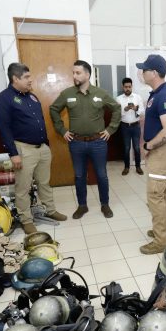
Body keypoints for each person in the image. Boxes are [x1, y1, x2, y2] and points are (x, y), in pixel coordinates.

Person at [0, 63, 67, 234]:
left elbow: (39, 121)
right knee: (23, 188)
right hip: (23, 150)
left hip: (42, 148)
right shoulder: (2, 99)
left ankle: (50, 210)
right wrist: (13, 154)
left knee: (44, 183)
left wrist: (46, 145)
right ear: (15, 78)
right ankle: (26, 220)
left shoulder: (32, 97)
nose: (30, 80)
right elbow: (3, 129)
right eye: (26, 77)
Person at [50, 60, 121, 219]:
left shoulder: (100, 93)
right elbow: (54, 109)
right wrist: (62, 130)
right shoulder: (67, 94)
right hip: (76, 143)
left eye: (78, 73)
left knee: (101, 175)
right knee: (79, 176)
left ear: (87, 75)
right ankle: (82, 206)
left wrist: (110, 129)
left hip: (98, 142)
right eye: (73, 73)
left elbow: (116, 108)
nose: (74, 76)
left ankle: (105, 204)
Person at [136, 54, 166, 254]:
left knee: (155, 196)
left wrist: (149, 146)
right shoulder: (157, 93)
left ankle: (161, 241)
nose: (141, 73)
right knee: (164, 193)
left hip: (162, 151)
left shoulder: (165, 96)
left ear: (153, 73)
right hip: (161, 151)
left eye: (144, 70)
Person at [116, 78, 144, 175]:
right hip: (124, 126)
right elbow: (117, 114)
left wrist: (136, 109)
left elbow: (142, 111)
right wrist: (125, 109)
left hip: (136, 126)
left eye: (129, 87)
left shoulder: (137, 97)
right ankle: (126, 167)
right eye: (126, 87)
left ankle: (138, 167)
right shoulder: (119, 99)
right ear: (122, 87)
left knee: (137, 147)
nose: (127, 89)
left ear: (132, 86)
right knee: (126, 148)